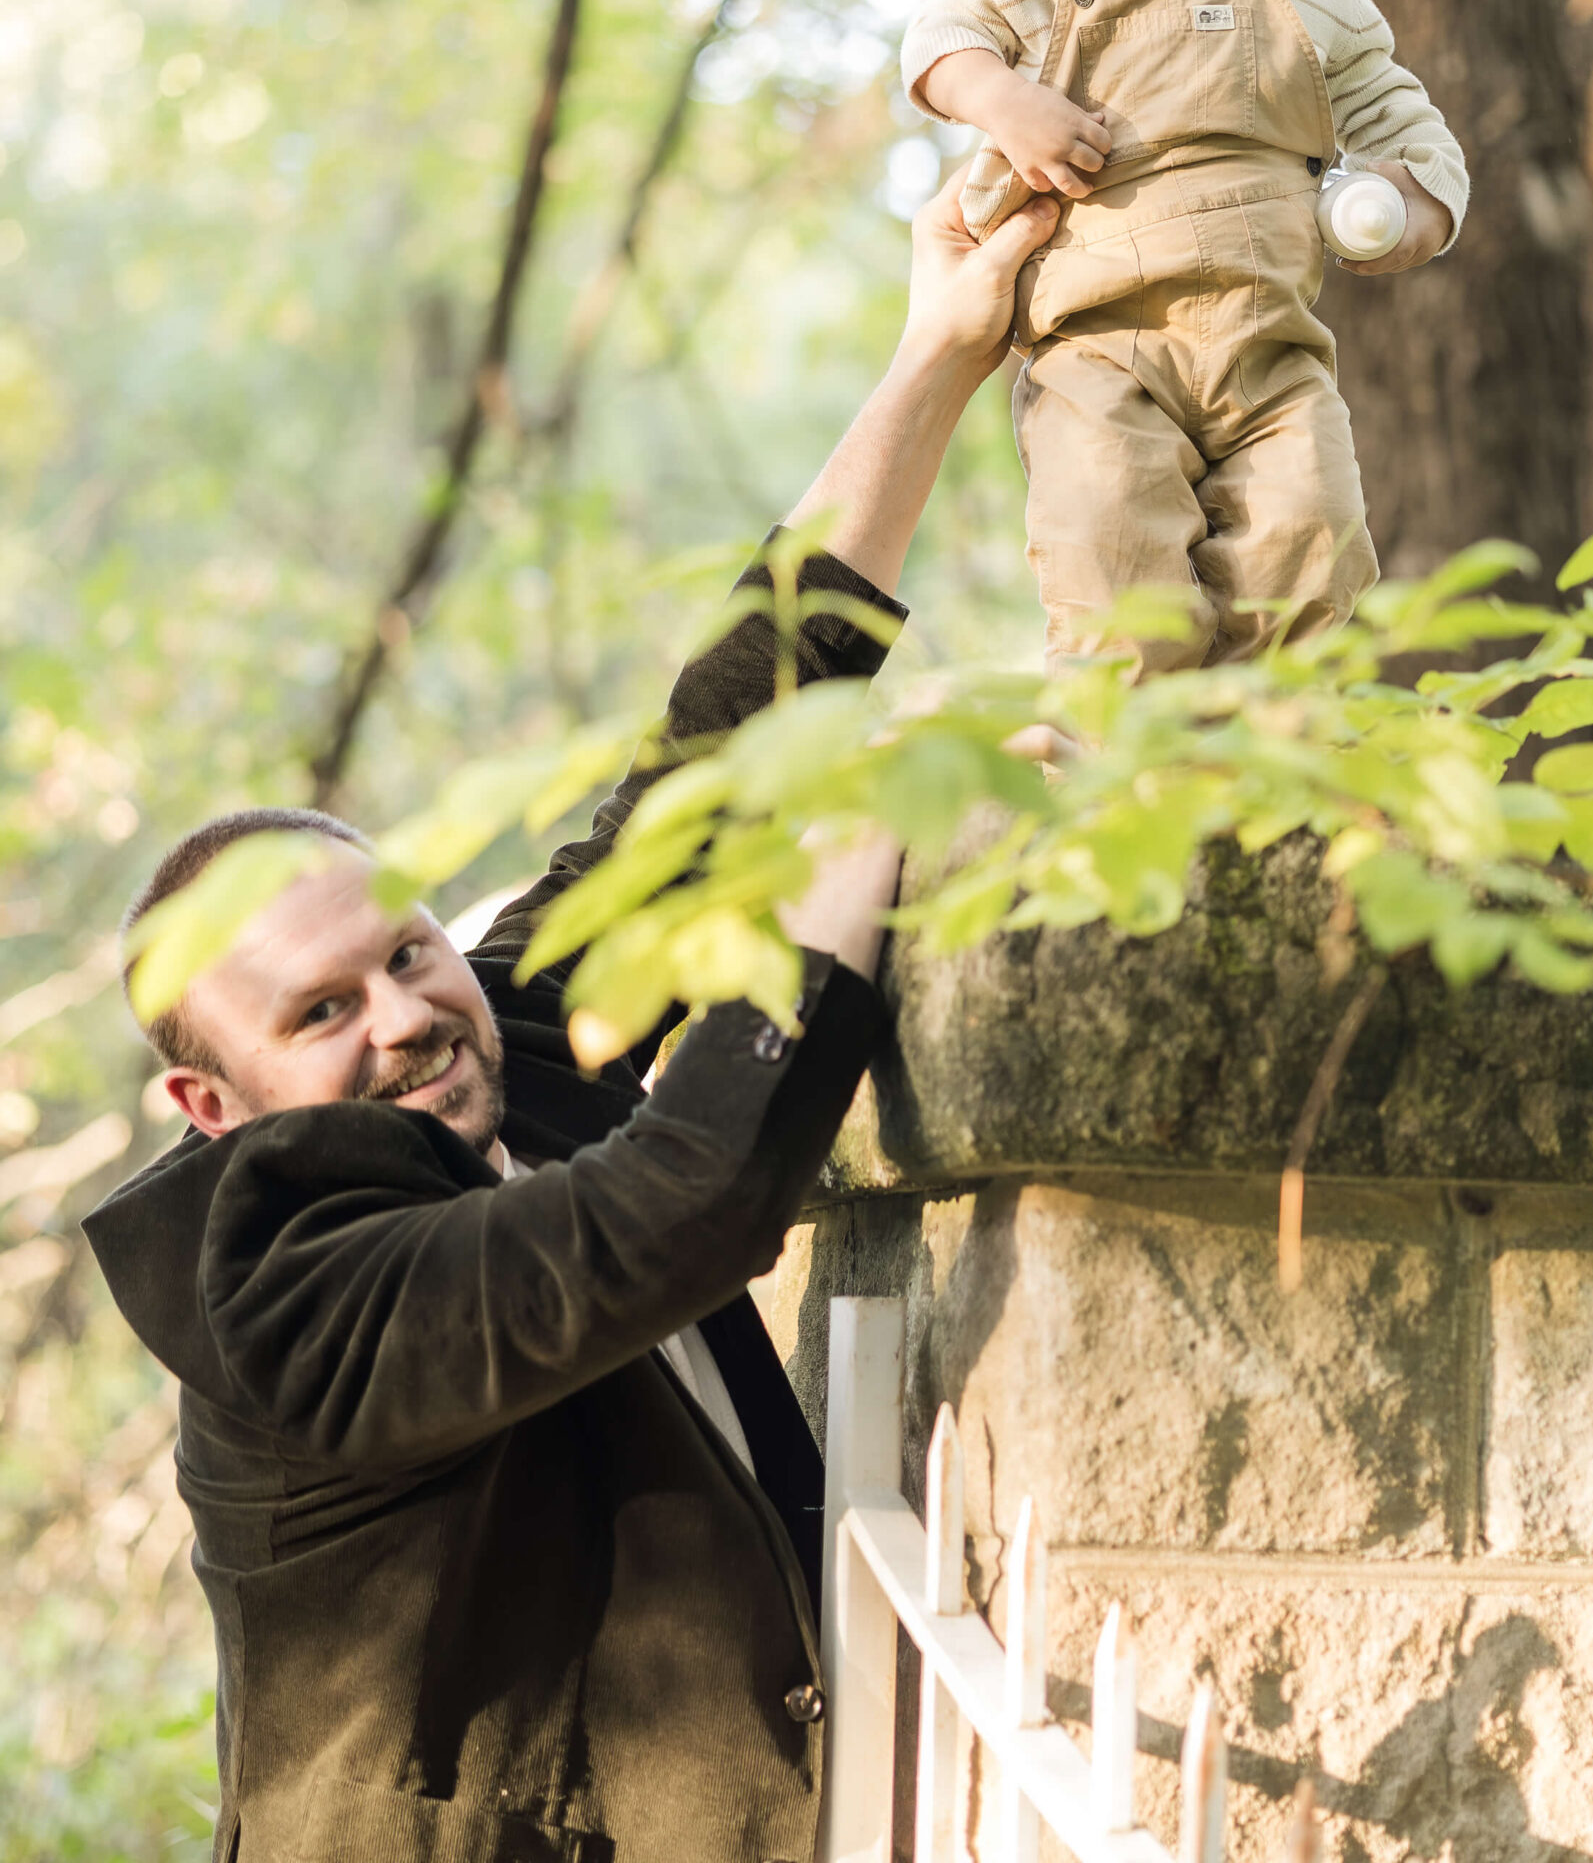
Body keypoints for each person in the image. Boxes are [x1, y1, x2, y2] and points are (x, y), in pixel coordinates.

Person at [82, 173, 1058, 1863]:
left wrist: (937, 353)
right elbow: (682, 1202)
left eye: (403, 952)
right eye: (319, 1009)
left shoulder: (483, 1065)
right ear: (212, 1105)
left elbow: (696, 789)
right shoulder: (284, 1296)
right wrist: (883, 806)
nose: (404, 1017)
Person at [902, 0, 1470, 671]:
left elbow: (1390, 106)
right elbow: (939, 35)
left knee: (1310, 540)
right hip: (1097, 341)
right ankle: (1123, 781)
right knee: (1112, 553)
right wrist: (1001, 100)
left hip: (1270, 344)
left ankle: (1265, 776)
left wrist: (1409, 203)